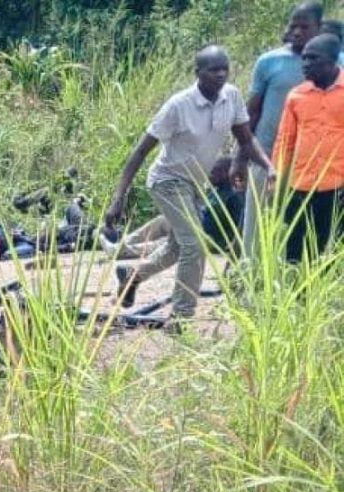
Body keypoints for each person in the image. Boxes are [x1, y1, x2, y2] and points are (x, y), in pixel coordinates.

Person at [104, 46, 271, 318]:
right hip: (167, 181)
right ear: (198, 73)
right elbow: (140, 151)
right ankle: (181, 316)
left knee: (177, 246)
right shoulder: (178, 106)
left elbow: (246, 139)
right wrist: (119, 196)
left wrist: (268, 166)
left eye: (224, 69)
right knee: (194, 244)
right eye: (213, 69)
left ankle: (132, 275)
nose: (220, 74)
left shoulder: (232, 97)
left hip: (195, 184)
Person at [237, 3, 324, 253]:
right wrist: (239, 157)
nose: (296, 32)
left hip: (314, 165)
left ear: (319, 28)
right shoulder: (269, 61)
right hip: (267, 158)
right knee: (255, 230)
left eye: (304, 27)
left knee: (300, 230)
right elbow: (250, 114)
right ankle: (249, 284)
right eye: (292, 26)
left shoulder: (336, 62)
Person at [272, 33, 344, 262]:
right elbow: (285, 140)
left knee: (326, 251)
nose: (305, 64)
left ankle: (321, 295)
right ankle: (296, 295)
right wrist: (275, 176)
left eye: (313, 59)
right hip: (300, 186)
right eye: (304, 58)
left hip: (337, 187)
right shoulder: (297, 96)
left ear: (332, 60)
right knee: (294, 247)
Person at [116, 157, 245, 259]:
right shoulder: (214, 191)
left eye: (215, 171)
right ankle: (121, 245)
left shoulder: (234, 195)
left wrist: (232, 246)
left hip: (210, 239)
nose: (209, 174)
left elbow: (239, 224)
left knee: (171, 241)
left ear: (228, 173)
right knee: (163, 220)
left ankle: (128, 251)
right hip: (194, 227)